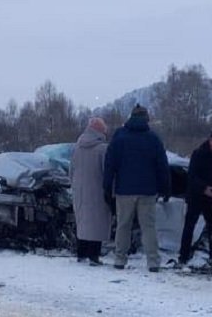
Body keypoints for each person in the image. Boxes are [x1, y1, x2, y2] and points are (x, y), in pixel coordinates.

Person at [103, 105, 170, 272]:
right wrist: (166, 188)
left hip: (124, 190)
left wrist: (107, 187)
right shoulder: (153, 138)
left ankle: (119, 260)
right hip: (148, 191)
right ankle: (153, 262)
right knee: (148, 227)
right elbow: (162, 166)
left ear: (130, 117)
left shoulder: (119, 137)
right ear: (146, 118)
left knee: (123, 225)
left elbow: (110, 164)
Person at [179, 125, 212, 266]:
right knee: (190, 225)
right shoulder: (199, 153)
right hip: (196, 194)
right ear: (210, 141)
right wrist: (203, 188)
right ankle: (183, 256)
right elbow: (192, 176)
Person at [70, 117, 112, 265]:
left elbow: (71, 170)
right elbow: (106, 172)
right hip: (97, 190)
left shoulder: (77, 147)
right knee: (97, 223)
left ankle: (81, 253)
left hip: (79, 190)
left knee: (82, 222)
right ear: (100, 131)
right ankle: (94, 255)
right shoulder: (103, 149)